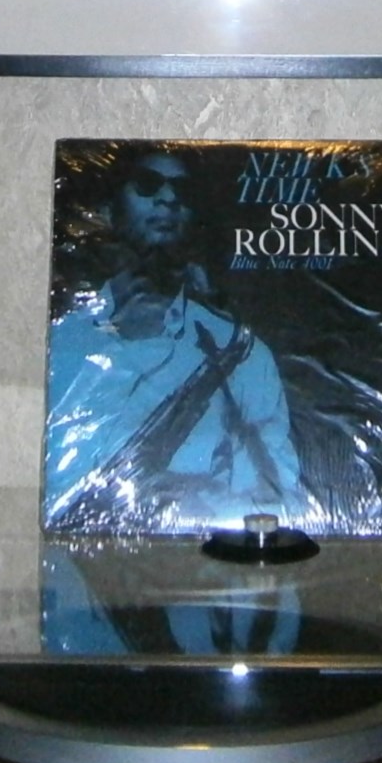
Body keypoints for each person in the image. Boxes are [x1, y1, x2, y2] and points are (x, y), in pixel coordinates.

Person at [43, 148, 301, 533]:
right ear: (108, 212)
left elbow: (281, 502)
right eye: (148, 184)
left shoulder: (242, 352)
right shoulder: (61, 342)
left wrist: (192, 503)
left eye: (183, 191)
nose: (168, 198)